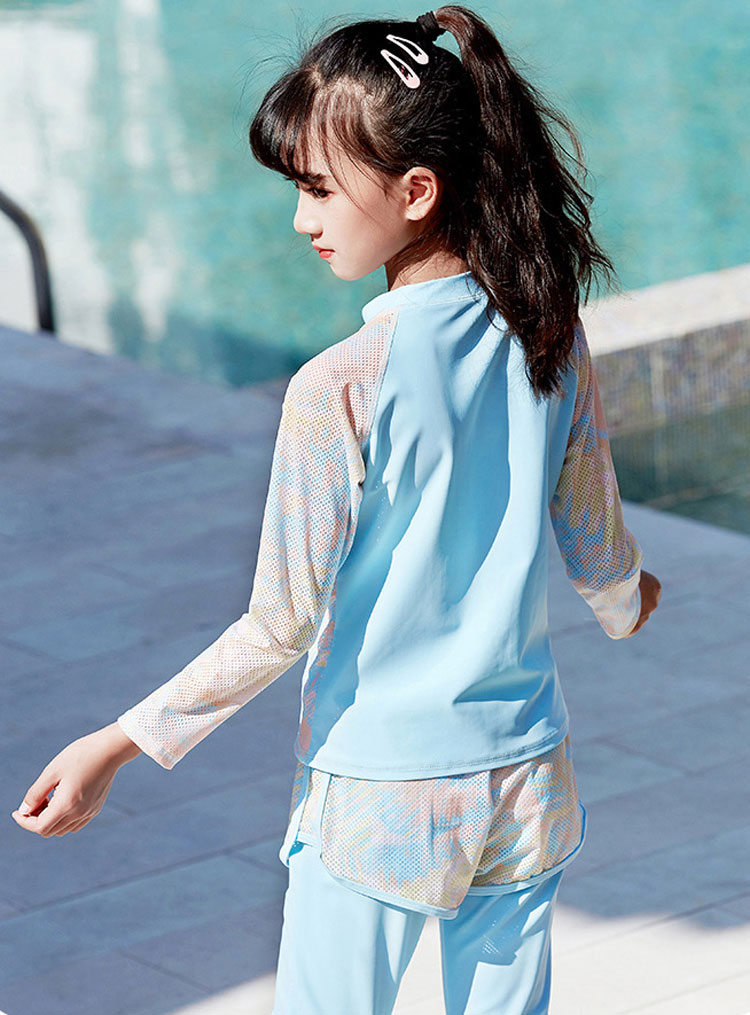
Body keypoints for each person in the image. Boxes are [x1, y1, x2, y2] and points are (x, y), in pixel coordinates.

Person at [11, 6, 662, 1014]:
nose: (300, 219)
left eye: (317, 188)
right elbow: (595, 545)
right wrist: (628, 602)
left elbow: (280, 624)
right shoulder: (551, 333)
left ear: (415, 190)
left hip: (382, 790)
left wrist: (112, 745)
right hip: (528, 774)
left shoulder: (340, 385)